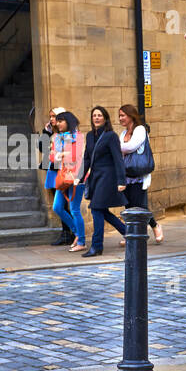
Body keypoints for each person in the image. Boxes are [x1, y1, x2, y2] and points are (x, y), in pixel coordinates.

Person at [79, 106, 127, 258]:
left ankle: (97, 246)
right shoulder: (89, 136)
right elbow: (87, 158)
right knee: (102, 211)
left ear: (105, 118)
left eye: (100, 115)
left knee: (96, 209)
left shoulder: (111, 136)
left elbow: (118, 159)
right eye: (94, 115)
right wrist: (79, 177)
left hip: (108, 177)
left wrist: (121, 180)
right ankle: (129, 233)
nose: (97, 118)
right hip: (95, 177)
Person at [117, 104, 164, 244]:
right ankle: (131, 234)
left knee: (140, 206)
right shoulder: (122, 134)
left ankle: (155, 226)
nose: (120, 118)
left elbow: (131, 146)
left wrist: (117, 147)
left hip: (138, 174)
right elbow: (124, 149)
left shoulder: (140, 130)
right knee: (128, 206)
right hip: (125, 175)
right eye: (119, 116)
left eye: (122, 115)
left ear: (131, 115)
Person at [49, 111, 87, 252]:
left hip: (77, 175)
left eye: (60, 121)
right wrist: (61, 154)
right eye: (57, 121)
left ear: (68, 121)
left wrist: (61, 154)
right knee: (57, 207)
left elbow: (76, 155)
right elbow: (52, 158)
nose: (57, 123)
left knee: (74, 209)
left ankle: (81, 241)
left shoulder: (78, 136)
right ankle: (77, 233)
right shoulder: (57, 137)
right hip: (63, 177)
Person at [38, 107, 71, 246]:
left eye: (54, 116)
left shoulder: (66, 134)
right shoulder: (52, 133)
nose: (51, 119)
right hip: (52, 171)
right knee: (59, 205)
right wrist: (46, 133)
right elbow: (41, 148)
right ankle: (66, 232)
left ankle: (72, 232)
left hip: (62, 172)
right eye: (50, 116)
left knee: (65, 204)